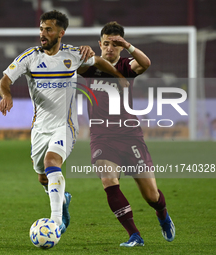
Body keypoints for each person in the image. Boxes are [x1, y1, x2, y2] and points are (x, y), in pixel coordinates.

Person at [0, 11, 128, 234]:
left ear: (61, 32)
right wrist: (6, 94)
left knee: (52, 162)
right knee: (42, 176)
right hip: (40, 127)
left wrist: (119, 77)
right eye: (41, 29)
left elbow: (98, 61)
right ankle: (63, 199)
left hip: (64, 125)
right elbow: (4, 81)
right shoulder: (30, 57)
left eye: (48, 29)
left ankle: (56, 222)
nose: (43, 34)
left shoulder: (73, 55)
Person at [79, 21, 175, 247]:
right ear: (99, 43)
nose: (109, 48)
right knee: (108, 181)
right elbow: (76, 65)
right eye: (106, 43)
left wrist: (129, 46)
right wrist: (82, 53)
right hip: (102, 137)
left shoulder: (126, 67)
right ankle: (135, 235)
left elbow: (146, 63)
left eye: (115, 44)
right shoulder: (90, 67)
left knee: (151, 196)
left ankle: (162, 214)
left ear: (121, 47)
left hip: (130, 136)